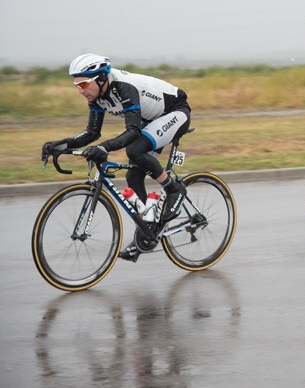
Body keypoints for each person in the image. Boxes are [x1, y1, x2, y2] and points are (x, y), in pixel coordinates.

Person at [41, 54, 192, 262]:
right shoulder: (97, 96)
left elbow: (132, 131)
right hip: (152, 120)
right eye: (76, 85)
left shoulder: (123, 87)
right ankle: (146, 234)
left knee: (134, 151)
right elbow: (92, 133)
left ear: (101, 78)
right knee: (133, 176)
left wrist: (103, 148)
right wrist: (60, 144)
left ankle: (174, 189)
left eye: (84, 83)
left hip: (175, 112)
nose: (80, 90)